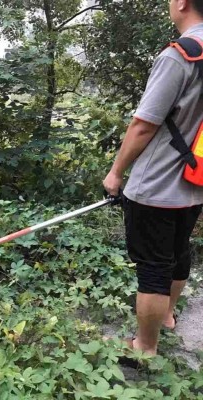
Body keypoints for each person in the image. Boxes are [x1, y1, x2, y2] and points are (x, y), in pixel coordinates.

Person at [103, 0, 203, 357]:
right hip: (197, 180)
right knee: (178, 251)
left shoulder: (181, 55)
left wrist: (116, 173)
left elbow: (143, 125)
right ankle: (167, 316)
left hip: (158, 185)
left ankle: (144, 348)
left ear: (182, 3)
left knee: (153, 268)